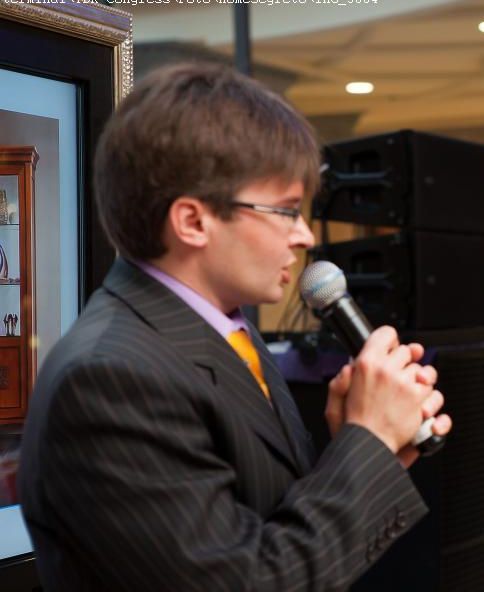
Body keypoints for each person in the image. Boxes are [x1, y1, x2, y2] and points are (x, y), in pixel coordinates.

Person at [19, 62, 451, 592]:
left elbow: (265, 522)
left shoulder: (229, 332)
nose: (305, 236)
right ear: (193, 221)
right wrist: (371, 438)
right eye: (286, 211)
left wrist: (361, 447)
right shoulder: (109, 378)